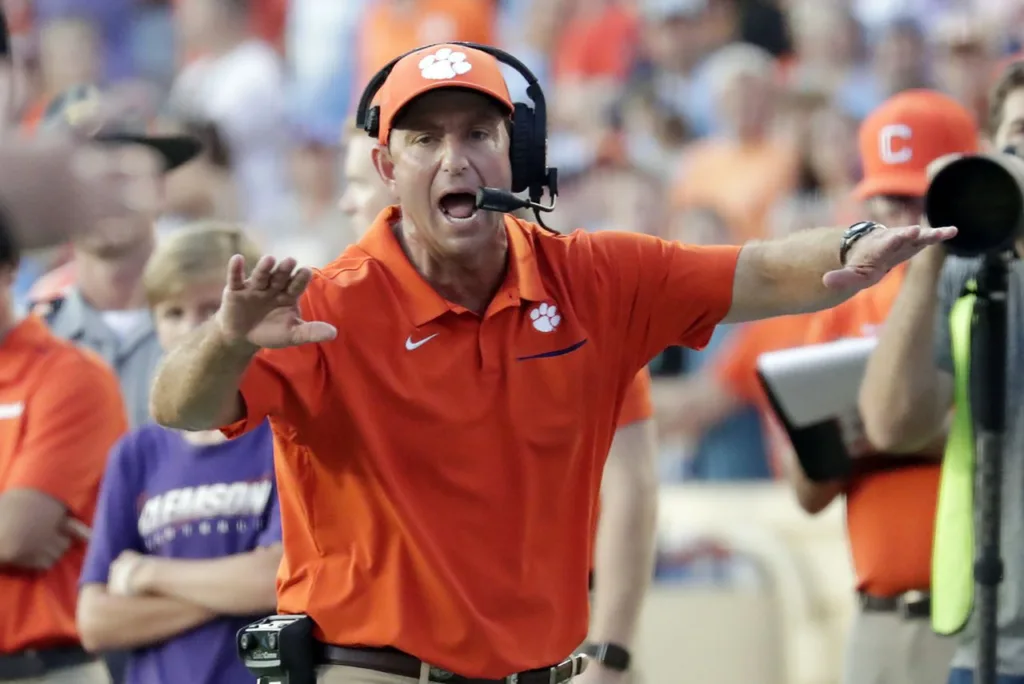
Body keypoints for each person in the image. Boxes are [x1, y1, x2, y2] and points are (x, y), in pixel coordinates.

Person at [149, 43, 953, 684]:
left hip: (539, 673)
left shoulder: (596, 279)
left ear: (519, 155)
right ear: (389, 171)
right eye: (424, 139)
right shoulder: (325, 306)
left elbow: (766, 267)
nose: (453, 159)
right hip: (371, 669)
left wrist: (860, 246)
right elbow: (179, 406)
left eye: (478, 134)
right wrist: (228, 337)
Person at [339, 117, 659, 682]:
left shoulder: (575, 305)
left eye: (355, 184)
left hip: (552, 640)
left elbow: (629, 486)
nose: (346, 203)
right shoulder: (333, 316)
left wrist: (610, 652)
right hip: (395, 649)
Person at [785, 90, 977, 684]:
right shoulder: (843, 304)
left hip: (981, 616)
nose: (900, 217)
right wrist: (905, 430)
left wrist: (880, 429)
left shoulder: (993, 288)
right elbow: (808, 489)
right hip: (878, 617)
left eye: (918, 197)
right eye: (885, 198)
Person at [859, 61, 1024, 684]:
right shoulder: (973, 272)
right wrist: (934, 248)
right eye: (1020, 133)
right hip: (995, 645)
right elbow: (892, 422)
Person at [76, 222, 282, 684]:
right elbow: (97, 621)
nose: (191, 329)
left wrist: (148, 573)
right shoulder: (137, 452)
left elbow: (276, 578)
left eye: (211, 309)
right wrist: (229, 591)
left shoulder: (282, 435)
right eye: (172, 312)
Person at [0, 213, 127, 683]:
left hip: (44, 668)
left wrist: (14, 530)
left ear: (10, 269)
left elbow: (16, 535)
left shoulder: (71, 377)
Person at [31, 84, 202, 429]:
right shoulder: (33, 334)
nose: (107, 194)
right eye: (86, 178)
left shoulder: (217, 322)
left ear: (160, 188)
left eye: (124, 175)